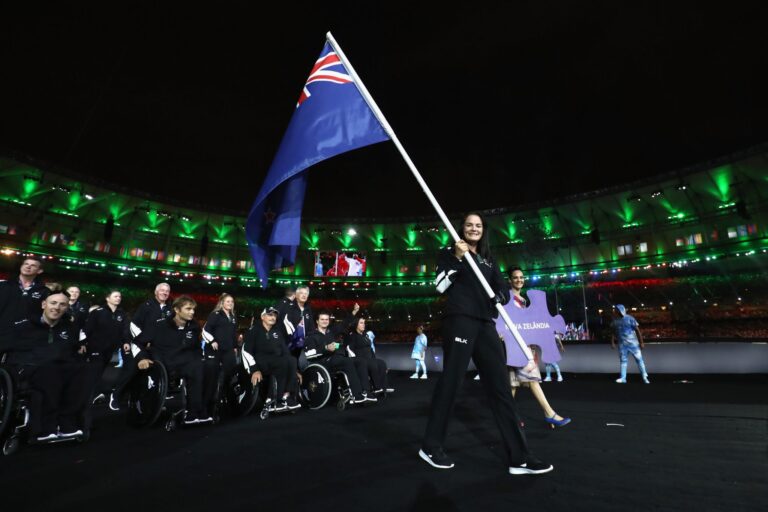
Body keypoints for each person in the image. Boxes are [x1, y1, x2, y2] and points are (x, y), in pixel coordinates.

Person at [420, 212, 553, 475]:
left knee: (501, 387)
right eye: (469, 224)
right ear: (461, 228)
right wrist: (458, 259)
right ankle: (431, 446)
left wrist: (501, 295)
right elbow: (440, 286)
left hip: (485, 324)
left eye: (478, 225)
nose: (473, 228)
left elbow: (502, 289)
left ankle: (520, 457)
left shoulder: (488, 259)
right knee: (452, 381)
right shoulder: (449, 252)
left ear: (483, 230)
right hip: (459, 320)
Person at [0, 290, 89, 441]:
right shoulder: (23, 326)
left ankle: (67, 424)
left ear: (67, 308)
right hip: (23, 367)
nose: (57, 307)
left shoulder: (68, 328)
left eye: (62, 304)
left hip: (55, 368)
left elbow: (71, 352)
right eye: (53, 303)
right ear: (43, 304)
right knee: (51, 371)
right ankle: (47, 427)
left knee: (80, 371)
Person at [134, 295, 214, 423]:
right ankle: (193, 411)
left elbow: (196, 348)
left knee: (210, 367)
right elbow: (137, 343)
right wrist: (141, 358)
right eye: (188, 309)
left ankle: (199, 410)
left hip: (187, 363)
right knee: (197, 368)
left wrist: (201, 358)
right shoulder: (159, 326)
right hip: (165, 364)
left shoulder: (194, 327)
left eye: (193, 309)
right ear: (176, 310)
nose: (192, 312)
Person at [507, 267, 570, 428]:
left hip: (523, 346)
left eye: (521, 277)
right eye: (515, 278)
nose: (519, 280)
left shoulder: (522, 300)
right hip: (517, 346)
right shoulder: (507, 300)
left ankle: (509, 418)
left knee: (513, 384)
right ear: (509, 280)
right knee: (532, 379)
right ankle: (550, 413)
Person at [110, 282, 173, 410]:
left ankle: (155, 400)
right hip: (139, 344)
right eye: (162, 290)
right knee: (132, 370)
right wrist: (144, 340)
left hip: (157, 347)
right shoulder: (146, 306)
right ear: (156, 292)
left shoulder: (170, 309)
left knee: (158, 370)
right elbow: (133, 325)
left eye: (167, 290)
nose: (164, 292)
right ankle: (116, 395)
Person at [304, 310, 376, 403]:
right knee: (347, 362)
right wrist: (326, 348)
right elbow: (309, 354)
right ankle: (356, 394)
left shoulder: (331, 332)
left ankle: (366, 392)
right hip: (324, 362)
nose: (325, 321)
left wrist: (353, 313)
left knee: (360, 361)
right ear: (317, 321)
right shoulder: (311, 336)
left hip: (337, 358)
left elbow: (343, 324)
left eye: (326, 319)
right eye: (322, 319)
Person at [241, 306, 300, 411]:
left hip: (275, 360)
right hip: (260, 360)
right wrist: (254, 370)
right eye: (270, 315)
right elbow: (245, 351)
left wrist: (295, 370)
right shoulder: (254, 330)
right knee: (281, 363)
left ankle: (285, 396)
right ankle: (271, 399)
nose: (273, 317)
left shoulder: (277, 331)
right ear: (262, 317)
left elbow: (285, 351)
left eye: (274, 316)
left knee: (292, 360)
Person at [83, 290, 130, 407]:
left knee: (104, 372)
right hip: (96, 347)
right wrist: (83, 343)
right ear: (107, 298)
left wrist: (126, 342)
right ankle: (88, 397)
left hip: (112, 348)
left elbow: (125, 330)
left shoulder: (122, 314)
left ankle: (97, 394)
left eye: (119, 296)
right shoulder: (98, 312)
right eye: (115, 296)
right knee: (96, 371)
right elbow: (88, 329)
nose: (118, 298)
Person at [202, 293, 240, 410]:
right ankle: (207, 401)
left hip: (228, 350)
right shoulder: (216, 314)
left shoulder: (233, 317)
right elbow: (205, 330)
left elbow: (234, 334)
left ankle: (223, 395)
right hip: (214, 349)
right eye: (228, 301)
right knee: (212, 374)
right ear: (222, 303)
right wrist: (212, 340)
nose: (230, 303)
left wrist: (234, 347)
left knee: (230, 372)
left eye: (232, 301)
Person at [0, 256, 49, 341]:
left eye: (33, 265)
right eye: (26, 264)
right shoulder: (3, 285)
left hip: (25, 337)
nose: (28, 266)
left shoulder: (44, 291)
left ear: (39, 271)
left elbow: (45, 314)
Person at [345, 304, 390, 394]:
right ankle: (376, 387)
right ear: (356, 325)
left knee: (381, 363)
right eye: (361, 323)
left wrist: (374, 357)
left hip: (369, 358)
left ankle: (383, 386)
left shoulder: (365, 336)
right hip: (361, 360)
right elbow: (349, 349)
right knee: (372, 363)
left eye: (364, 323)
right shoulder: (353, 336)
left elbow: (370, 350)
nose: (364, 325)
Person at [611, 304, 650, 384]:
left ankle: (644, 377)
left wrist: (641, 342)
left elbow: (637, 330)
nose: (614, 311)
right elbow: (613, 332)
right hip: (622, 345)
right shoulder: (615, 321)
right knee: (623, 361)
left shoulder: (630, 318)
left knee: (639, 360)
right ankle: (623, 378)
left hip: (633, 344)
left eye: (616, 310)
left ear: (619, 310)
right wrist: (612, 342)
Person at [280, 285, 316, 359]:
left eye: (306, 294)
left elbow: (311, 329)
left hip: (303, 345)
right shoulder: (289, 307)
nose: (304, 295)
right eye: (301, 293)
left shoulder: (308, 310)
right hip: (289, 345)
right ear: (296, 295)